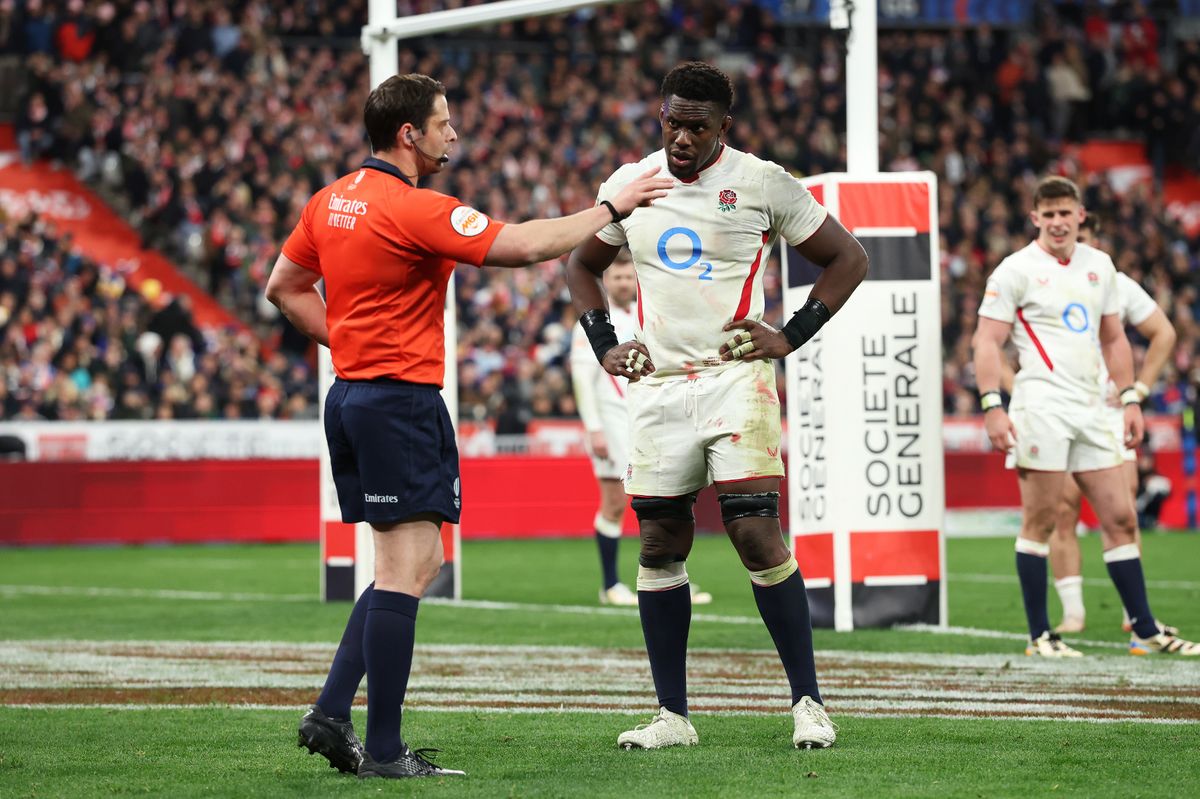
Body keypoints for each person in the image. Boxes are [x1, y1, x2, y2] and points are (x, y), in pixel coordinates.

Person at [265, 73, 673, 779]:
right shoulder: (414, 207)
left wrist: (350, 344)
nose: (454, 134)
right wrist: (611, 207)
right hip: (399, 402)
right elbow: (521, 245)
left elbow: (283, 288)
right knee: (404, 570)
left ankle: (333, 710)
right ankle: (384, 751)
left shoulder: (327, 202)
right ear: (408, 134)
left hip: (354, 396)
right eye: (444, 123)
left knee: (419, 563)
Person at [566, 62, 868, 750]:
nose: (681, 137)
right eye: (673, 122)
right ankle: (673, 715)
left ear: (723, 128)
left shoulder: (761, 181)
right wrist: (606, 344)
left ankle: (809, 702)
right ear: (661, 116)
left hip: (737, 380)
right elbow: (580, 264)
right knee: (660, 541)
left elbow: (848, 256)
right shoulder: (629, 184)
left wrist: (790, 334)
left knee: (755, 531)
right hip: (660, 385)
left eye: (697, 127)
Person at [972, 175, 1198, 658]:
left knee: (1120, 516)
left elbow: (1115, 339)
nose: (1057, 222)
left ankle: (1144, 630)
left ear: (1080, 215)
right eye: (1047, 214)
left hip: (1094, 408)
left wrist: (1131, 398)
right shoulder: (1015, 270)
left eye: (1064, 213)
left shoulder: (1100, 265)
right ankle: (1041, 636)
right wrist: (993, 404)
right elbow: (986, 342)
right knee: (1044, 519)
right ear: (1035, 218)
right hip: (1042, 407)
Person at [1036, 217, 1178, 635]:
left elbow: (1164, 333)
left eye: (1085, 240)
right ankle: (1074, 612)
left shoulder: (1112, 281)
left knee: (1122, 511)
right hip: (1061, 410)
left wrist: (1137, 389)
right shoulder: (1039, 279)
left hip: (1108, 414)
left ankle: (1133, 614)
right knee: (1063, 511)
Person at [568, 249, 711, 607]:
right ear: (606, 282)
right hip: (611, 420)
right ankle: (611, 584)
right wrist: (593, 428)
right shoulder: (595, 322)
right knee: (615, 502)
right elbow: (582, 378)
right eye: (616, 277)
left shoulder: (648, 317)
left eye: (628, 276)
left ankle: (673, 578)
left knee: (669, 495)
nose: (623, 282)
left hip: (649, 416)